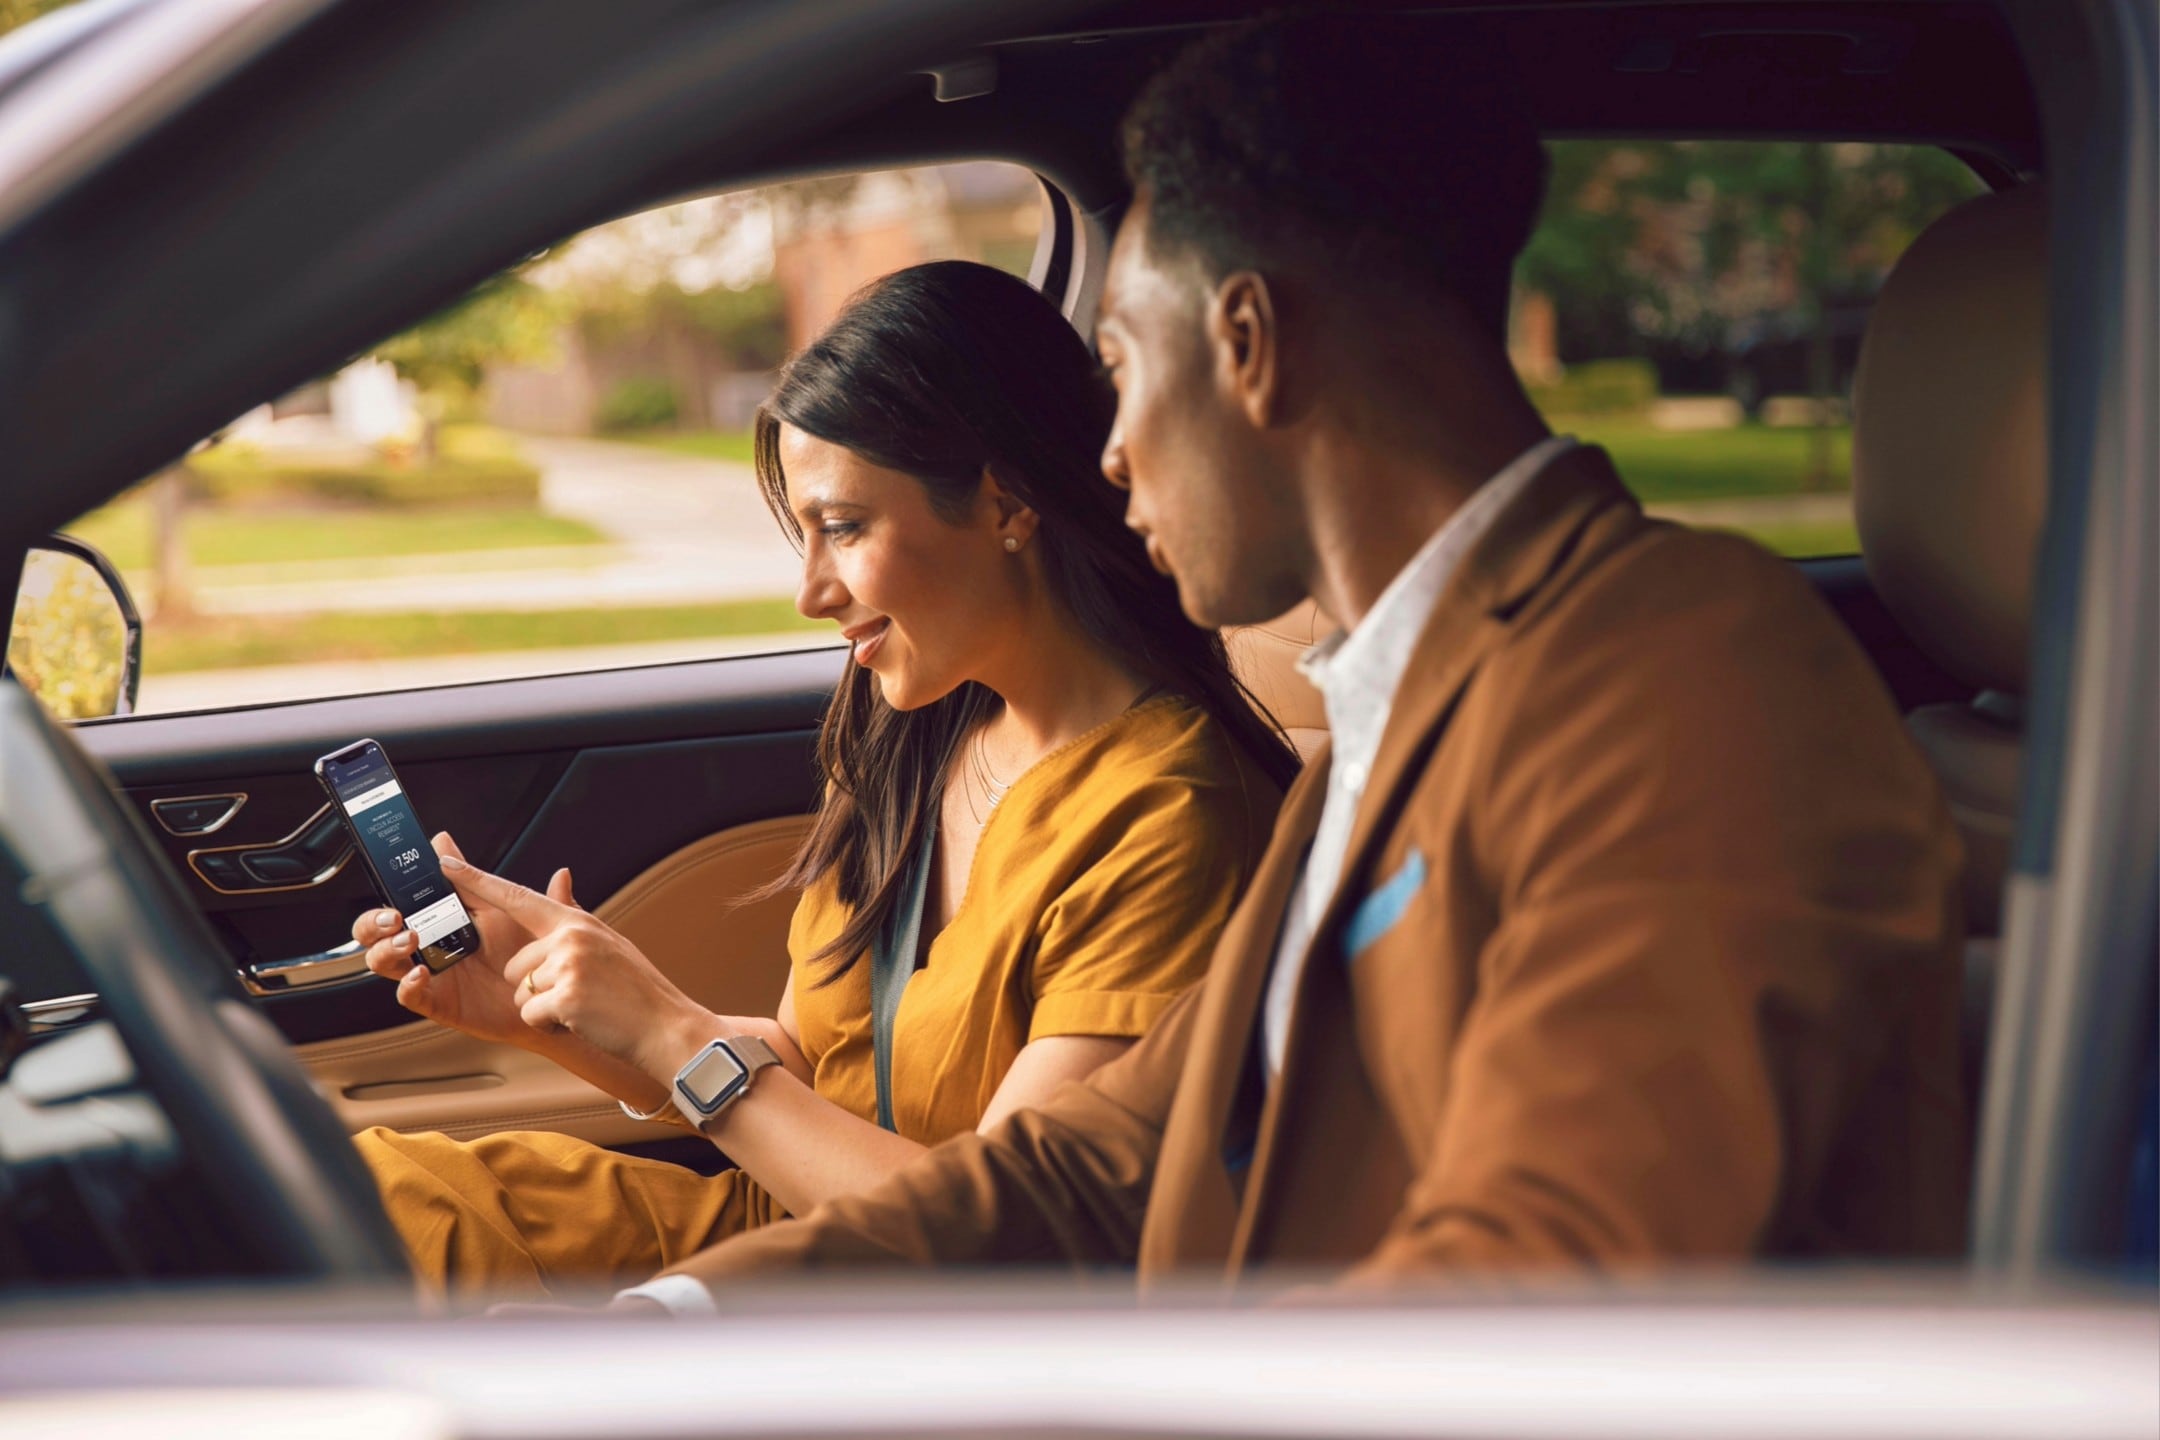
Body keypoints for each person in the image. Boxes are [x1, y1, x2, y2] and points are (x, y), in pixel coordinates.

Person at [630, 16, 1968, 1305]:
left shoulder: (1691, 683)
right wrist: (681, 1324)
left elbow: (1547, 1283)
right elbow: (1095, 1168)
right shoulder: (1391, 724)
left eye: (1122, 368)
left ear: (1250, 347)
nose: (1107, 454)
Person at [349, 260, 1297, 1306]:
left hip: (892, 1315)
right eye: (802, 534)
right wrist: (557, 1011)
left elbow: (1016, 1246)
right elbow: (805, 1065)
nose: (810, 592)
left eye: (843, 528)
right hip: (769, 1229)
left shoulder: (1168, 814)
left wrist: (673, 1028)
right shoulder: (918, 730)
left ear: (1005, 503)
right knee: (352, 1194)